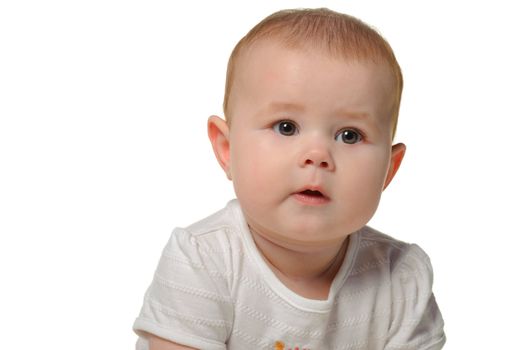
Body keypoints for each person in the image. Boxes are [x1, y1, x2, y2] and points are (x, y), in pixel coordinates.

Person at [133, 7, 446, 350]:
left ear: (389, 169)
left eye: (350, 135)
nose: (317, 155)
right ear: (227, 148)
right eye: (286, 127)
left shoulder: (399, 278)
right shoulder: (203, 261)